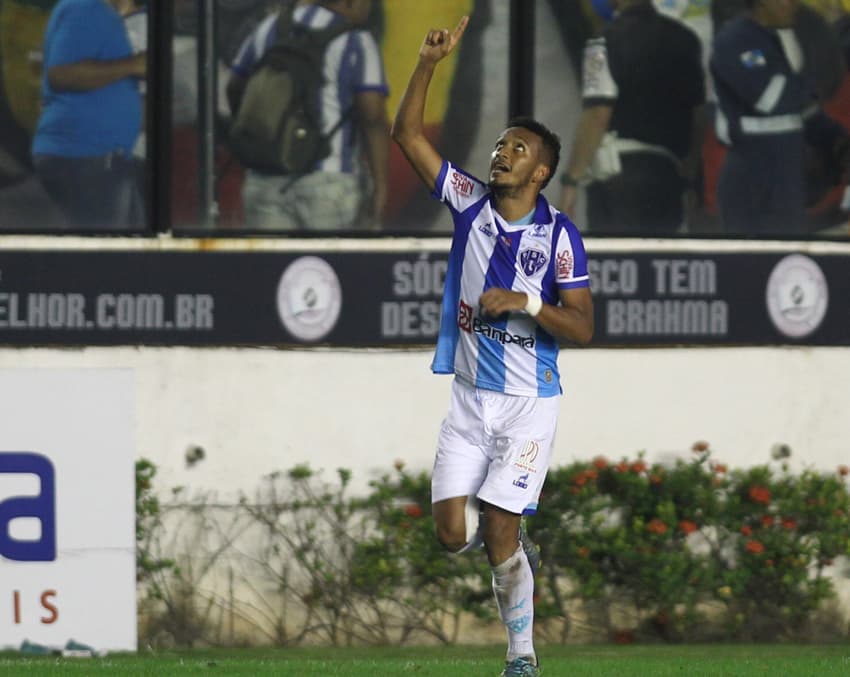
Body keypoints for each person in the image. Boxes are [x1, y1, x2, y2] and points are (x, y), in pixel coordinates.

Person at [391, 16, 594, 677]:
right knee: (454, 534)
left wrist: (529, 302)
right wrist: (427, 64)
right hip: (469, 402)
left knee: (500, 532)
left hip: (529, 404)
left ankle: (522, 656)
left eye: (516, 148)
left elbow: (584, 326)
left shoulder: (559, 236)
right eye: (500, 144)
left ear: (540, 170)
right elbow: (407, 136)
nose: (500, 153)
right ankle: (506, 547)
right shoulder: (468, 204)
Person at [226, 0, 389, 231]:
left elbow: (234, 86)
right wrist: (380, 185)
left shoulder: (268, 28)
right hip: (329, 182)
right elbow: (373, 115)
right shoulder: (356, 41)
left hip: (264, 179)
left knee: (271, 267)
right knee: (330, 267)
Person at [558, 0, 706, 235]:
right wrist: (689, 177)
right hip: (668, 173)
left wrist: (571, 180)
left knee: (617, 266)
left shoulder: (601, 43)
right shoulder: (687, 40)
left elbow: (597, 114)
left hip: (617, 178)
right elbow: (698, 118)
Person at [710, 0, 850, 235]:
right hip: (753, 179)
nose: (795, 4)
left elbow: (801, 113)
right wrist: (812, 78)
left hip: (785, 178)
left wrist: (840, 139)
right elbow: (771, 99)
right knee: (750, 264)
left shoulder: (773, 39)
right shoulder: (736, 40)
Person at [31, 0, 147, 230]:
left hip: (96, 156)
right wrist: (132, 65)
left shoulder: (96, 13)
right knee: (103, 256)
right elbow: (61, 75)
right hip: (85, 156)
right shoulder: (86, 7)